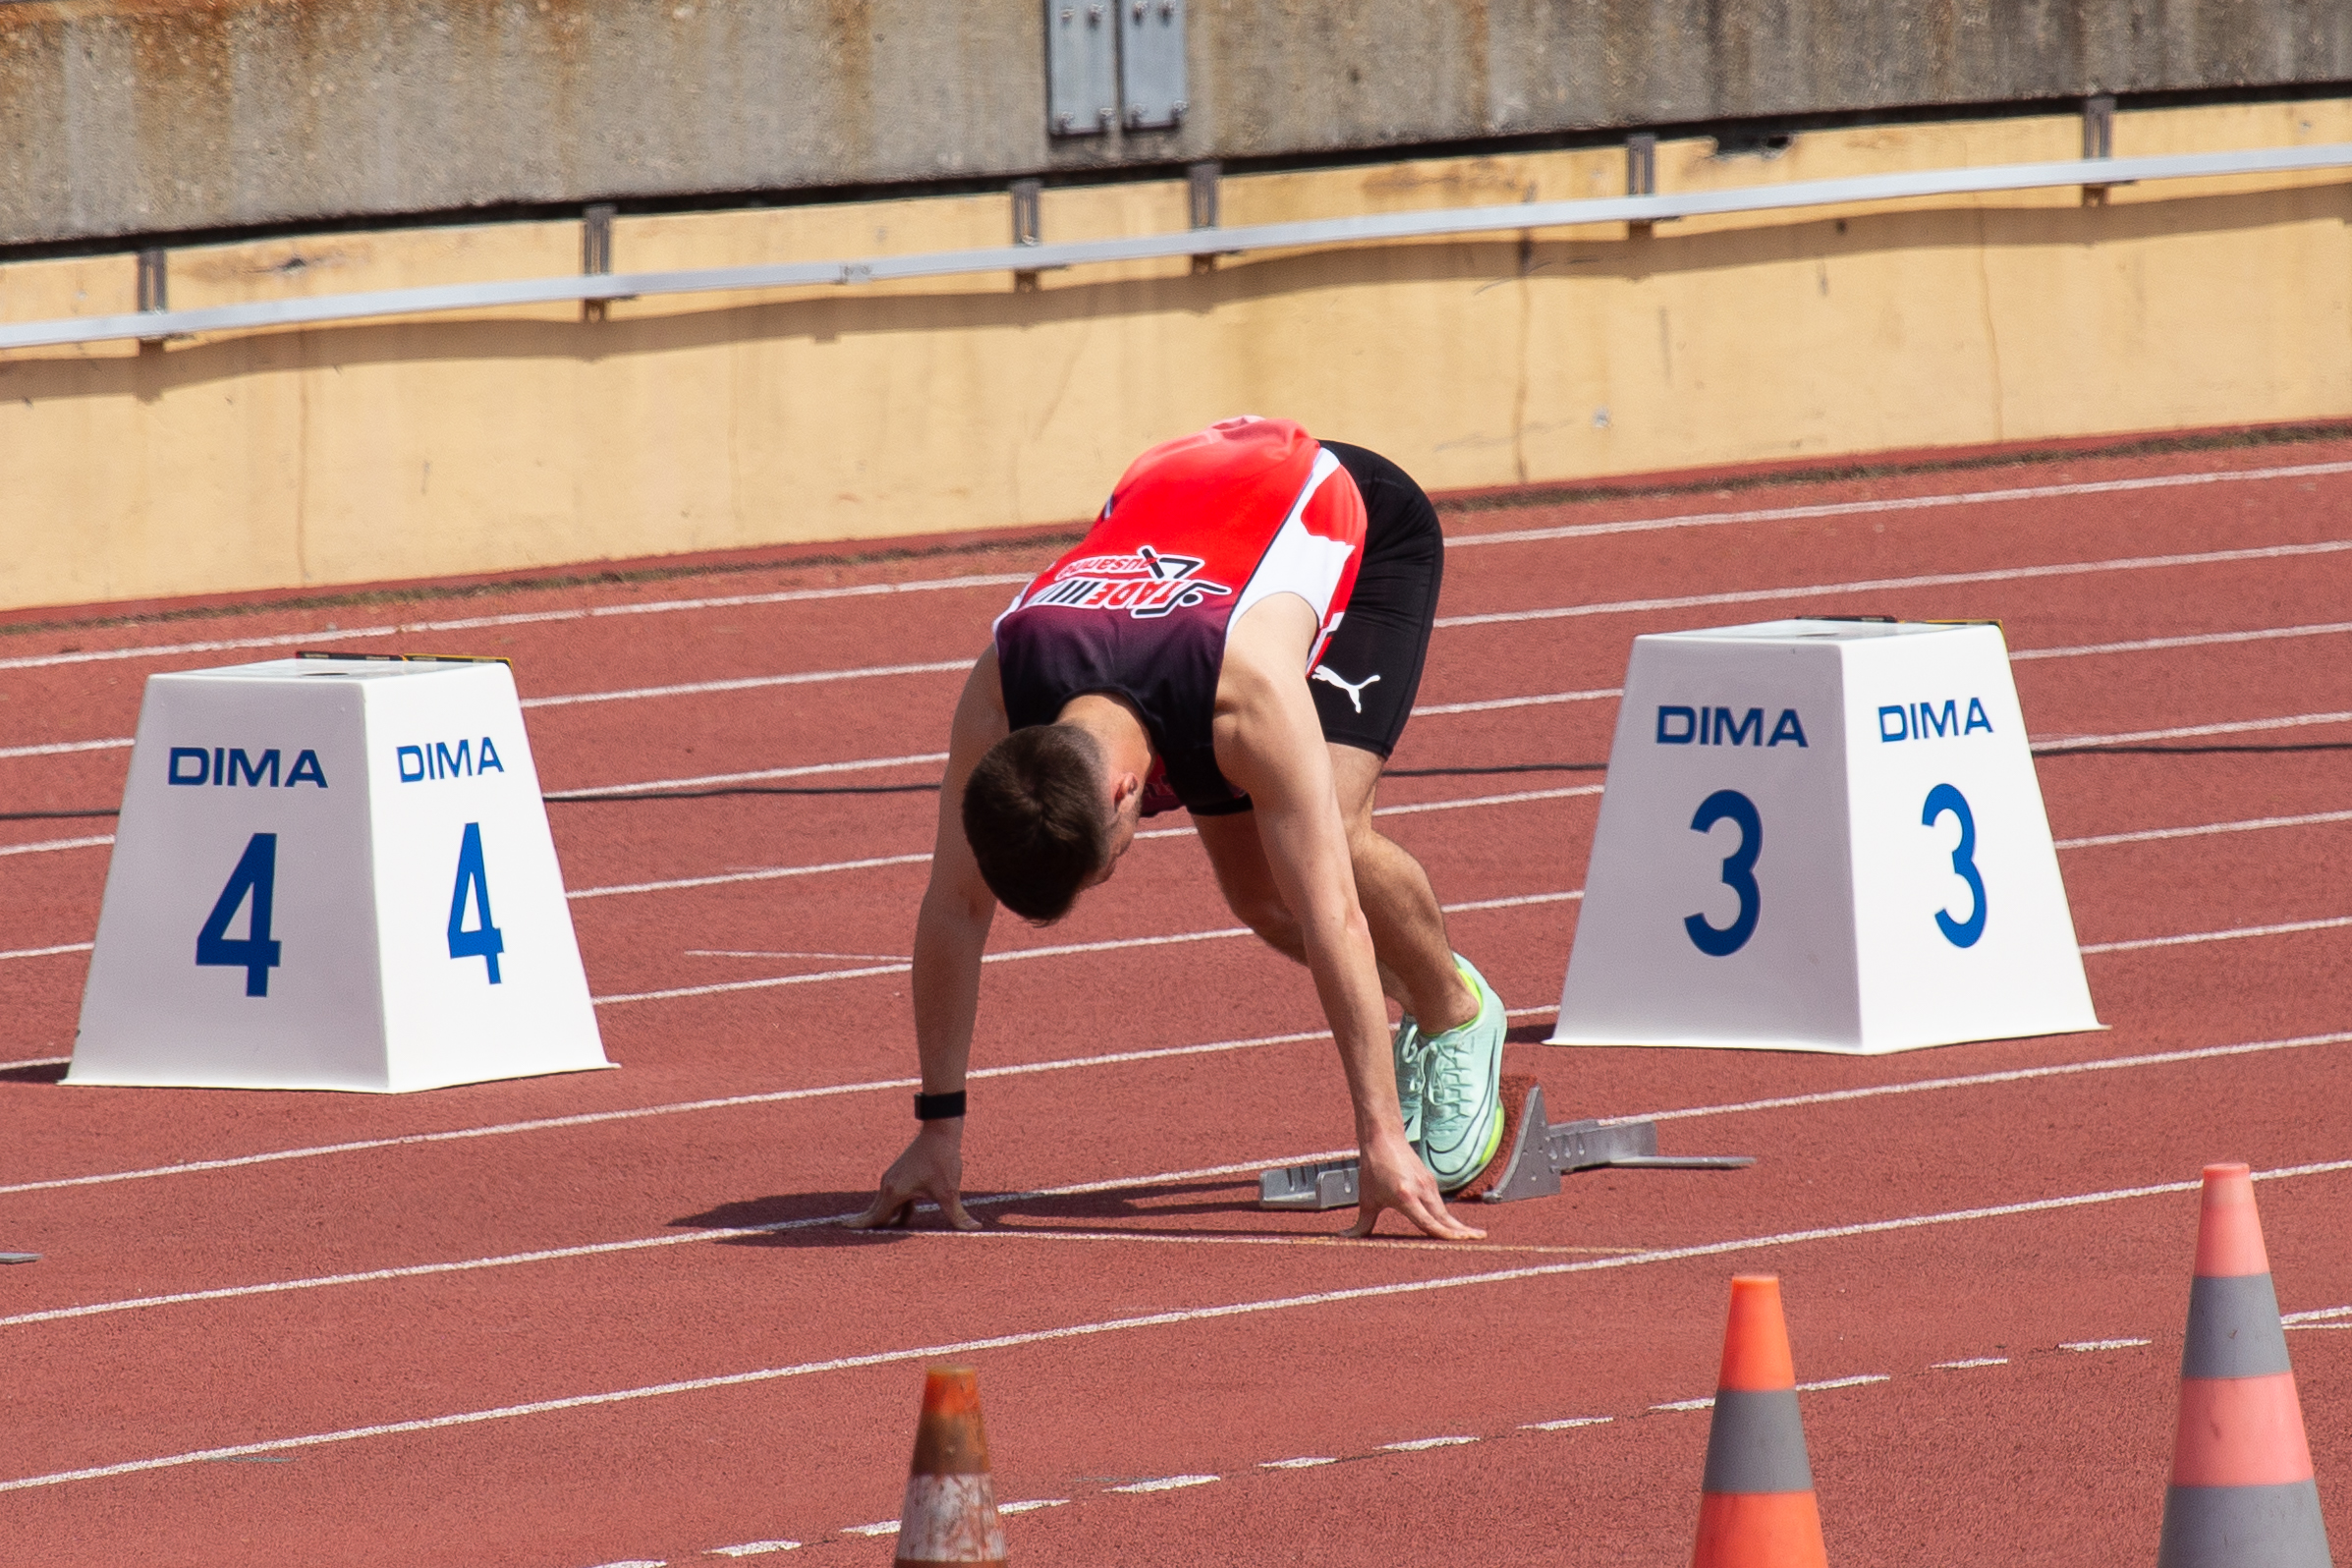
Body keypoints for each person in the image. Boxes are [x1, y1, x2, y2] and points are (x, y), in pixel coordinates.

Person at [847, 417, 1506, 1240]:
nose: (1114, 871)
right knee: (1261, 902)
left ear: (1126, 793)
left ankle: (1453, 1012)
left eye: (1107, 863)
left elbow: (1334, 912)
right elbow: (954, 905)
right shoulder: (999, 695)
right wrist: (937, 1128)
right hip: (1187, 512)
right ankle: (1412, 977)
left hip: (1354, 516)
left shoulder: (1243, 700)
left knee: (1327, 842)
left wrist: (1379, 1137)